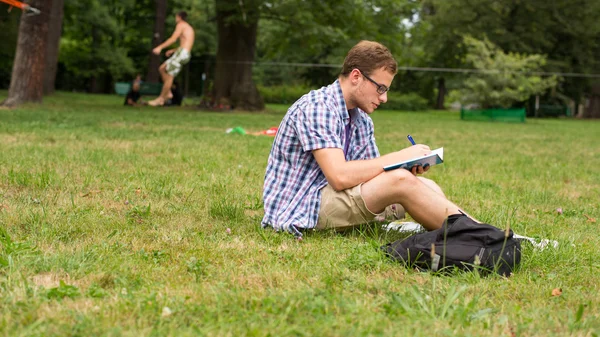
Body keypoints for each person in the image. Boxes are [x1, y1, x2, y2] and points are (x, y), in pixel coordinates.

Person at [262, 40, 478, 237]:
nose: (384, 98)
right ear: (356, 77)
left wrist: (405, 166)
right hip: (302, 205)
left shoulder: (361, 119)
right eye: (381, 88)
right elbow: (339, 177)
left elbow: (373, 176)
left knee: (426, 186)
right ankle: (481, 235)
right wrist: (400, 157)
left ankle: (464, 235)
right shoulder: (318, 107)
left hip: (332, 196)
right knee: (400, 182)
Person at [148, 11, 194, 107]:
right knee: (162, 68)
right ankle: (168, 92)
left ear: (179, 17)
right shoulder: (189, 28)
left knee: (169, 75)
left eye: (176, 17)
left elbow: (173, 39)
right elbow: (186, 44)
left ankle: (161, 99)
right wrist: (173, 50)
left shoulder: (181, 25)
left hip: (182, 54)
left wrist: (160, 47)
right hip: (182, 53)